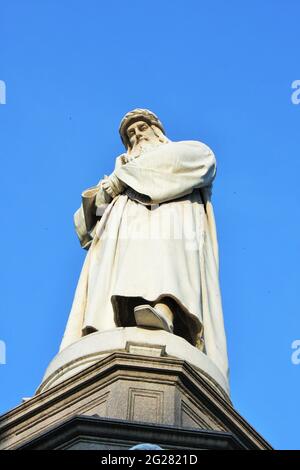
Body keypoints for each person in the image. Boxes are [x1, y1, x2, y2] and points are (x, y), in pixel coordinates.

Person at [59, 109, 228, 381]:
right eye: (130, 134)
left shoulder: (189, 152)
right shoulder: (117, 177)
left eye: (141, 128)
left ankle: (164, 311)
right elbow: (86, 224)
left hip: (168, 222)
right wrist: (107, 190)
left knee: (165, 258)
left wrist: (123, 178)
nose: (136, 135)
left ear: (157, 131)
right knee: (120, 267)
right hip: (125, 228)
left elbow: (202, 162)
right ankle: (110, 324)